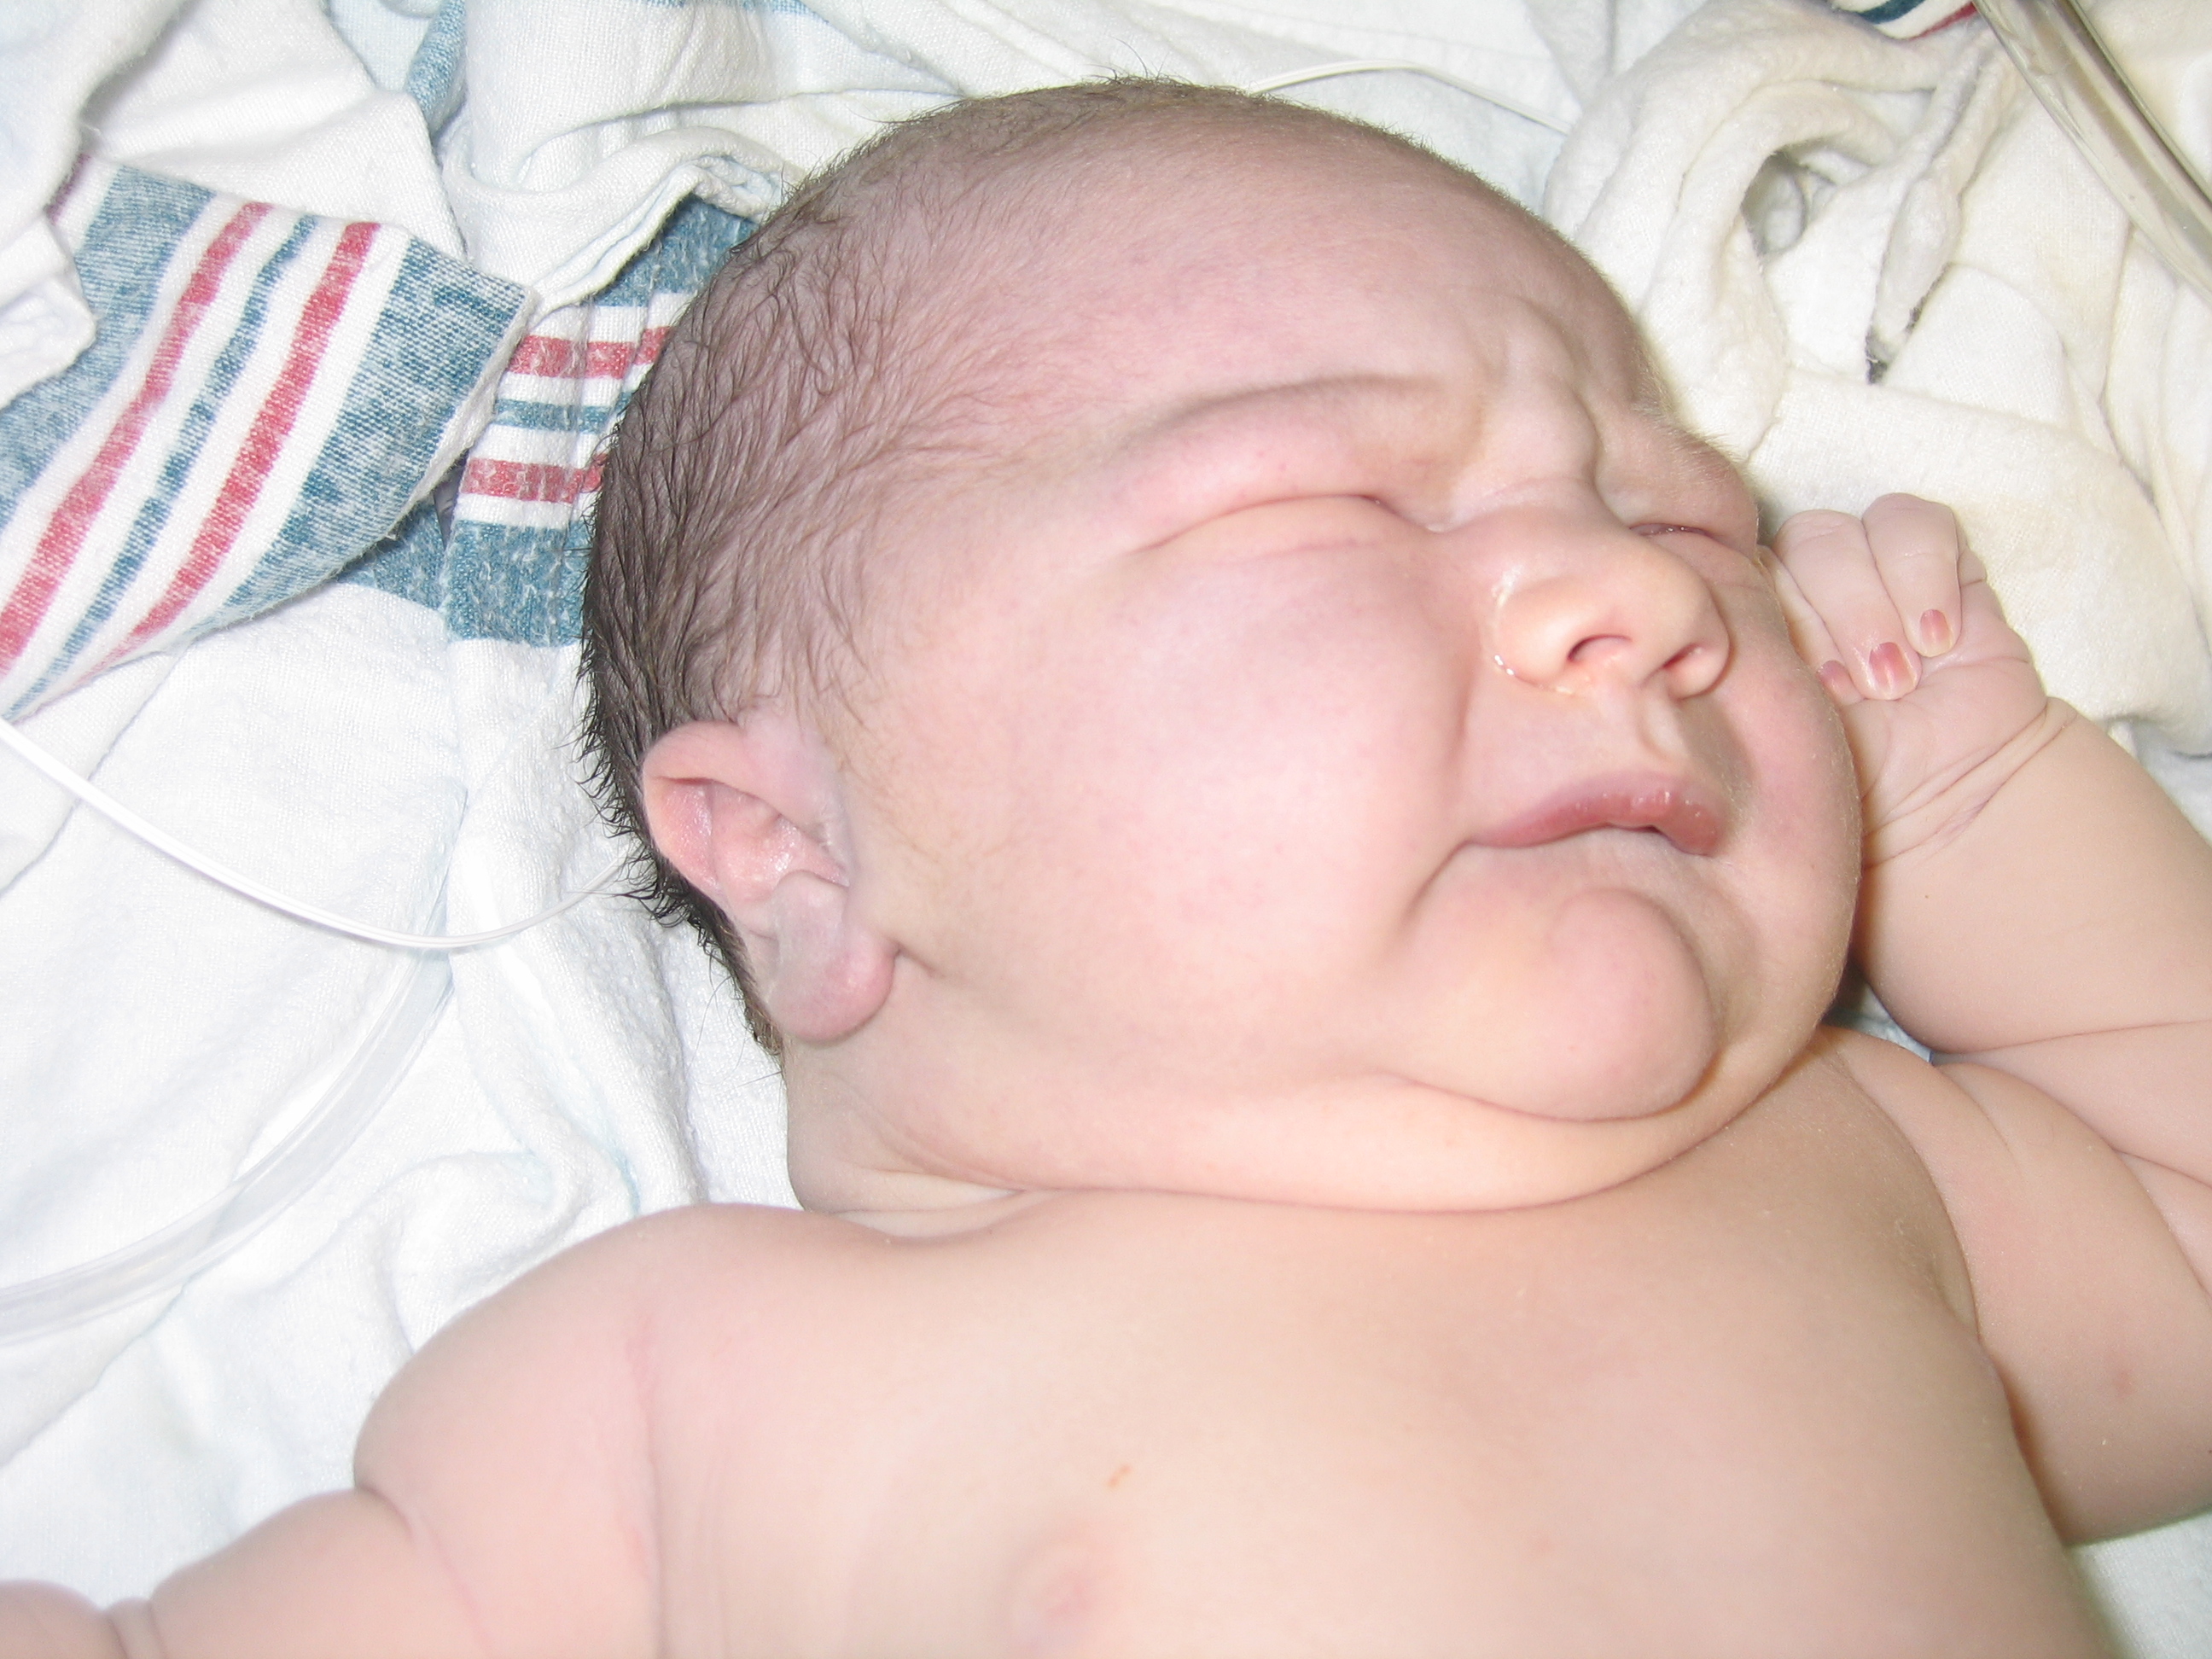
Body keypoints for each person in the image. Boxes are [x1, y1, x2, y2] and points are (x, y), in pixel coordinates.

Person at [9, 78, 2210, 1657]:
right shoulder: (697, 1384)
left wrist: (1965, 778)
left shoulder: (1852, 1168)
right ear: (797, 856)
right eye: (1338, 507)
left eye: (1686, 521)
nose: (1636, 598)